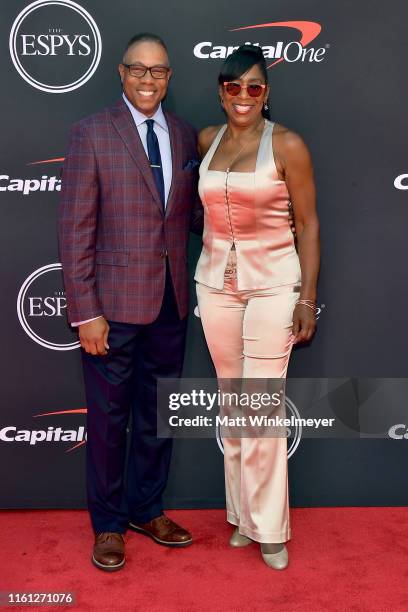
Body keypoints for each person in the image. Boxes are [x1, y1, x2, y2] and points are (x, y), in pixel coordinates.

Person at [58, 32, 202, 571]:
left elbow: (189, 218)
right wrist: (85, 311)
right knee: (108, 418)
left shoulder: (186, 136)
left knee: (157, 416)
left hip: (170, 304)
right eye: (139, 70)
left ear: (169, 77)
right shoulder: (91, 133)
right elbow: (75, 232)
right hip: (111, 310)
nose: (148, 79)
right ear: (120, 73)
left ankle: (147, 508)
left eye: (159, 71)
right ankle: (109, 524)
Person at [195, 45, 320, 570]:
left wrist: (308, 297)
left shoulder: (288, 144)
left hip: (274, 286)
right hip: (216, 286)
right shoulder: (206, 140)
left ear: (267, 93)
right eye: (233, 86)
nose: (243, 96)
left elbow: (309, 224)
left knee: (261, 404)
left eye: (254, 87)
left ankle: (270, 528)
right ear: (221, 92)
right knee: (232, 403)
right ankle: (242, 515)